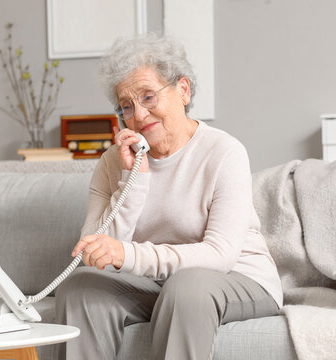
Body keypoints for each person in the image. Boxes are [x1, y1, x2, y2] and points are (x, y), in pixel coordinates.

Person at [55, 33, 282, 360]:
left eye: (148, 97)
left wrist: (127, 254)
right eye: (126, 106)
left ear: (183, 90)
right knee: (81, 287)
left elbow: (220, 255)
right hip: (156, 284)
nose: (139, 116)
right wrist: (134, 181)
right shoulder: (112, 162)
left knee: (186, 288)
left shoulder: (224, 152)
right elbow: (97, 255)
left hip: (238, 278)